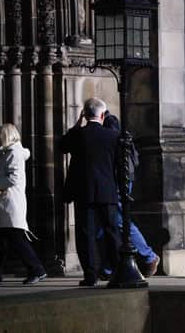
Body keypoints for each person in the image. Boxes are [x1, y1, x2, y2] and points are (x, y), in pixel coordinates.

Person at [0, 123, 47, 285]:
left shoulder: (14, 152)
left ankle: (37, 269)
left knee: (17, 240)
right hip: (2, 206)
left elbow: (14, 178)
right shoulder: (3, 153)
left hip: (10, 205)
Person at [61, 97, 121, 286]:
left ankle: (90, 274)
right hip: (106, 190)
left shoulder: (78, 134)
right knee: (112, 232)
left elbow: (62, 145)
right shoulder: (113, 136)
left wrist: (78, 124)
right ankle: (118, 271)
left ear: (85, 115)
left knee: (85, 234)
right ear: (102, 115)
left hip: (83, 191)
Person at [98, 112, 160, 278]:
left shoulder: (114, 133)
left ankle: (148, 256)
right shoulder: (122, 135)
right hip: (122, 181)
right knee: (110, 223)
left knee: (120, 221)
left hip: (119, 182)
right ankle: (108, 266)